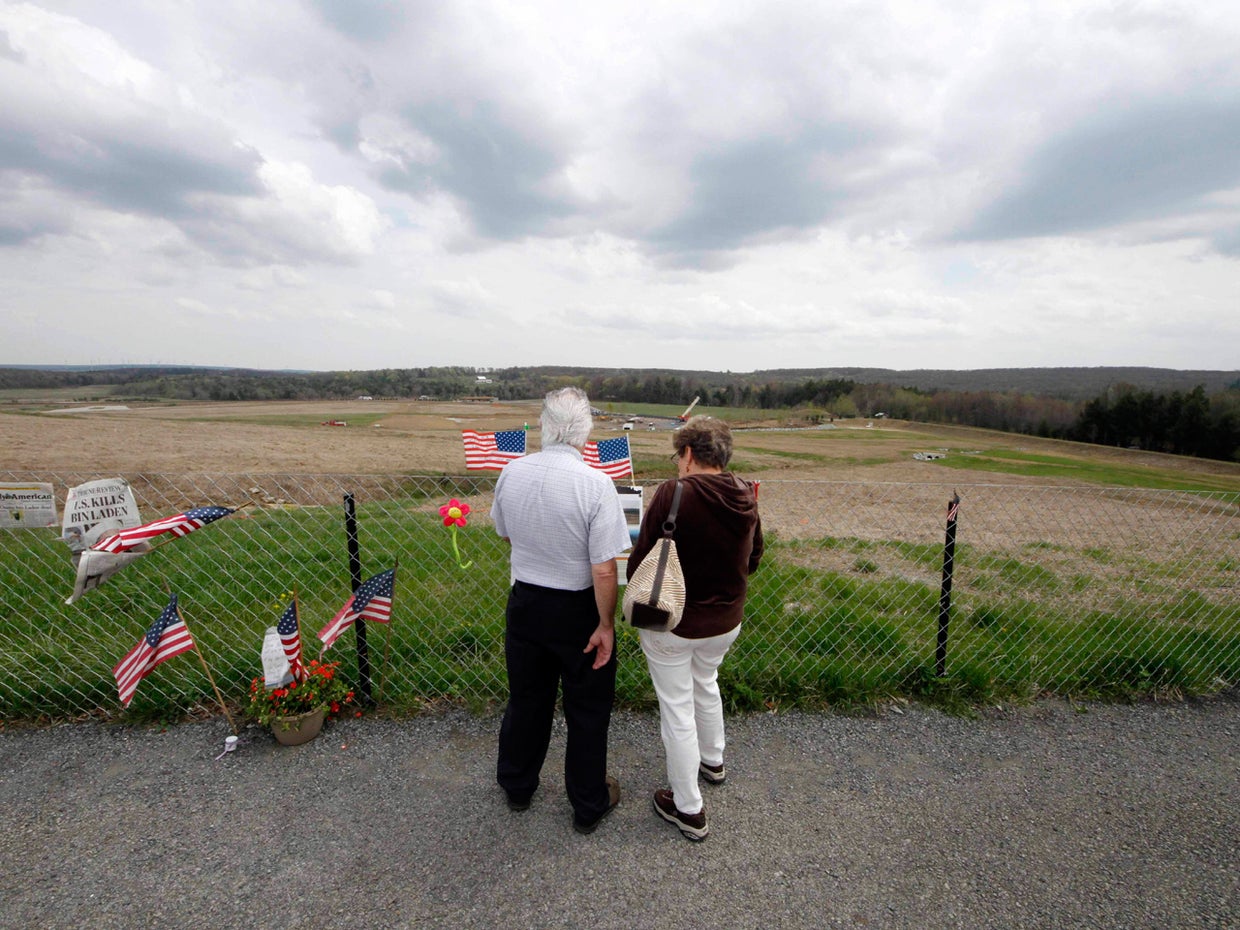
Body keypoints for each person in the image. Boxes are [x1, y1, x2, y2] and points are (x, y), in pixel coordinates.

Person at [491, 386, 632, 834]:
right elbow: (604, 568)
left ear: (544, 427)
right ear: (585, 433)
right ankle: (588, 803)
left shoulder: (512, 472)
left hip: (526, 602)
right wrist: (605, 624)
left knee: (527, 699)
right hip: (578, 609)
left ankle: (517, 785)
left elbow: (505, 532)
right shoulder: (595, 484)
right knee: (586, 709)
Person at [627, 415, 763, 841]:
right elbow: (754, 558)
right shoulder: (745, 493)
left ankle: (687, 808)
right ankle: (713, 760)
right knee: (706, 681)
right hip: (726, 621)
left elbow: (640, 561)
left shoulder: (674, 493)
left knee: (677, 709)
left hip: (673, 623)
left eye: (678, 455)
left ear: (687, 454)